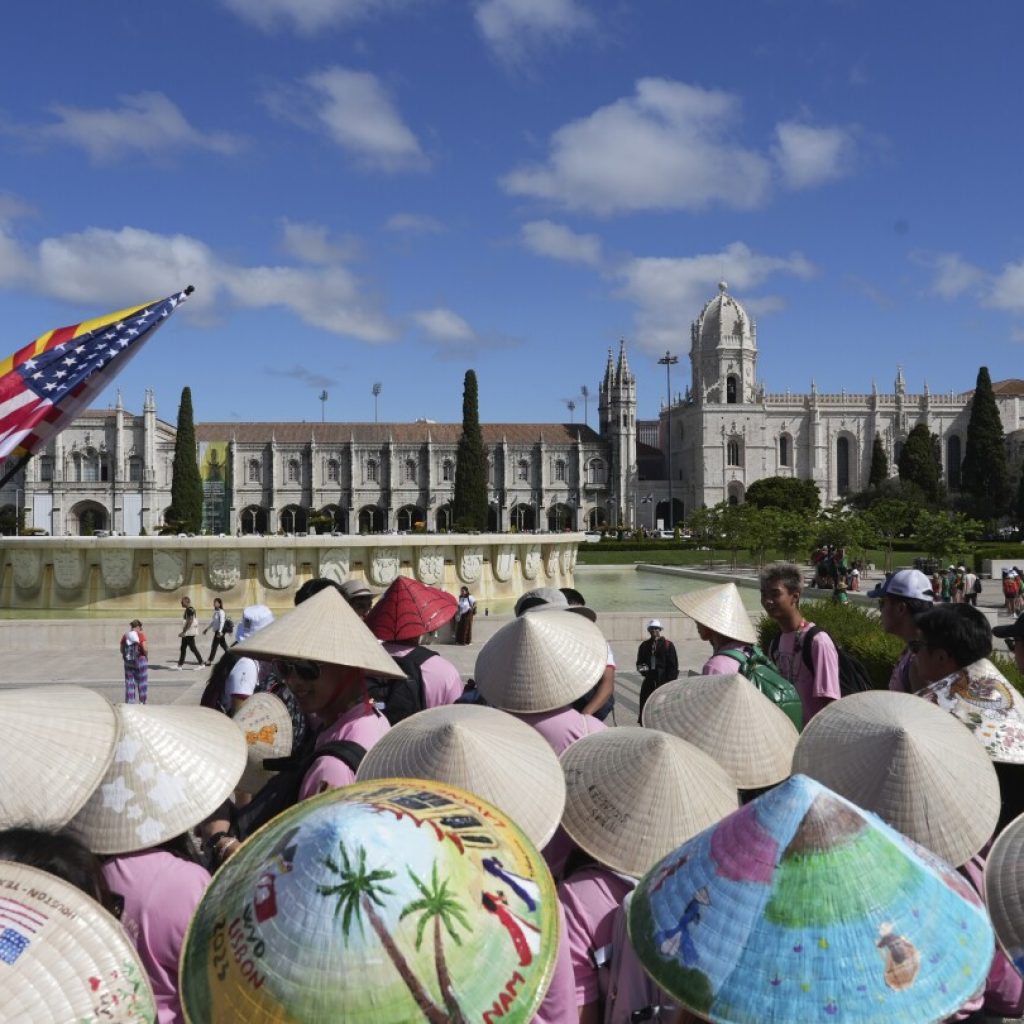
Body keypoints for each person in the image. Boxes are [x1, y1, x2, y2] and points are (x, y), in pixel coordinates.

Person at [233, 586, 403, 799]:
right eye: (284, 668)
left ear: (346, 668)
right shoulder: (369, 719)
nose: (293, 681)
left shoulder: (332, 769)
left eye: (307, 669)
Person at [760, 561, 840, 724]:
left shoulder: (817, 641)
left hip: (813, 741)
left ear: (795, 596)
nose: (768, 600)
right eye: (764, 594)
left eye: (775, 594)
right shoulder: (775, 643)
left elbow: (831, 704)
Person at [866, 569, 934, 693]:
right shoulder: (913, 649)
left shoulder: (921, 663)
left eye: (882, 603)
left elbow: (926, 711)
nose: (879, 611)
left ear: (900, 608)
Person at [670, 582, 758, 676]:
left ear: (710, 625)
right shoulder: (751, 652)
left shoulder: (715, 666)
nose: (696, 622)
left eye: (700, 619)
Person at [635, 620, 679, 720]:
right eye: (651, 628)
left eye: (656, 628)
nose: (654, 630)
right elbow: (639, 664)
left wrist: (670, 682)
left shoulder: (668, 645)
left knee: (663, 707)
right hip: (649, 681)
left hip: (664, 681)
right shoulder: (644, 645)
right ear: (648, 630)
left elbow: (673, 666)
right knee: (646, 704)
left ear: (660, 629)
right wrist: (646, 673)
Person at [120, 618, 149, 704]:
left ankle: (130, 702)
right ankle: (142, 701)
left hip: (128, 662)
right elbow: (145, 648)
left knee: (129, 682)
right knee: (142, 681)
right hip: (140, 660)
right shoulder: (140, 635)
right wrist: (146, 656)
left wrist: (126, 656)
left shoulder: (126, 636)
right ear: (139, 627)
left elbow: (122, 649)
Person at [175, 596, 203, 670]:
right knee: (183, 648)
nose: (181, 603)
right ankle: (179, 665)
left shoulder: (189, 610)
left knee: (193, 648)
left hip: (189, 633)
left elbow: (190, 621)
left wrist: (184, 632)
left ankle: (201, 663)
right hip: (188, 632)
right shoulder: (189, 609)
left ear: (186, 602)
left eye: (182, 602)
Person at [202, 597, 229, 665]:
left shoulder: (221, 612)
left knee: (214, 646)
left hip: (219, 632)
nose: (214, 604)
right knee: (224, 645)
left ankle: (209, 661)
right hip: (218, 631)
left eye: (216, 602)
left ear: (219, 604)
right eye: (214, 602)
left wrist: (220, 632)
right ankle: (232, 656)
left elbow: (222, 622)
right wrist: (207, 629)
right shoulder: (216, 612)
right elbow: (214, 622)